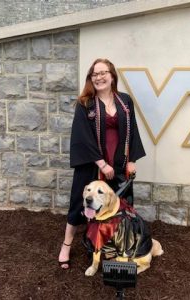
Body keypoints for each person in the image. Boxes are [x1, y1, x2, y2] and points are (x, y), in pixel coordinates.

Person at [58, 58, 146, 269]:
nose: (99, 77)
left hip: (118, 164)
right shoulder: (85, 104)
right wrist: (101, 163)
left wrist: (131, 160)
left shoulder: (125, 102)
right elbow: (82, 136)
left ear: (112, 75)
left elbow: (132, 130)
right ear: (91, 78)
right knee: (79, 205)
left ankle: (111, 247)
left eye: (103, 72)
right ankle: (66, 245)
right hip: (91, 164)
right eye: (94, 74)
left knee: (117, 208)